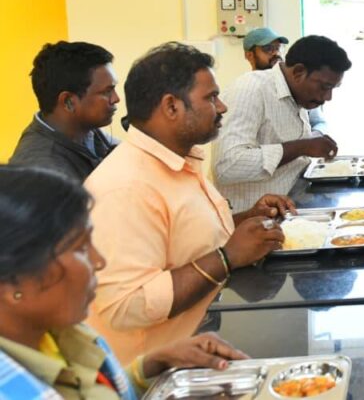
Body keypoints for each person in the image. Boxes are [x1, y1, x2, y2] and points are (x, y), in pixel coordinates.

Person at [85, 42, 292, 363]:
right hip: (149, 377)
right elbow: (124, 307)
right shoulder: (126, 187)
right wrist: (227, 258)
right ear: (171, 107)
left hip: (196, 343)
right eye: (210, 97)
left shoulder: (178, 161)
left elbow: (188, 242)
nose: (222, 107)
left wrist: (247, 219)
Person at [0, 166, 249, 399]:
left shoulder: (63, 335)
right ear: (13, 285)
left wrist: (148, 369)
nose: (98, 262)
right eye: (81, 249)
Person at [213, 35, 350, 210]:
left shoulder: (298, 95)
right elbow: (227, 166)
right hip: (253, 223)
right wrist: (302, 147)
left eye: (333, 88)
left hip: (293, 206)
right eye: (324, 87)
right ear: (298, 72)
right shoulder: (250, 90)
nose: (328, 97)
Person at [9, 41, 120, 181]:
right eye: (107, 92)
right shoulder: (45, 174)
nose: (116, 99)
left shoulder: (84, 130)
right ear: (68, 101)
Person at [242, 28, 328, 135]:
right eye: (268, 49)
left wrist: (311, 140)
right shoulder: (247, 91)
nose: (276, 53)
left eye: (278, 48)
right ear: (249, 55)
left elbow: (319, 122)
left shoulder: (298, 85)